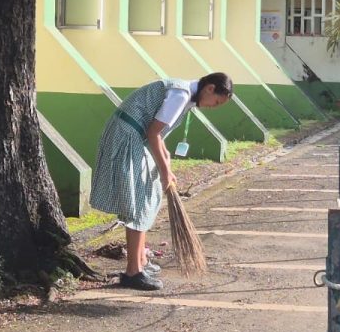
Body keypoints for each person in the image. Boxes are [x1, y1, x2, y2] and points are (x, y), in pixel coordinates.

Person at [90, 73, 233, 291]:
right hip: (128, 137)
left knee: (147, 196)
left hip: (134, 137)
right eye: (216, 102)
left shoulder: (185, 95)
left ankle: (141, 260)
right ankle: (133, 272)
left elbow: (157, 133)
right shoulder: (180, 95)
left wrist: (165, 158)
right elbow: (153, 132)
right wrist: (166, 172)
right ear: (210, 88)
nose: (213, 107)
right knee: (140, 201)